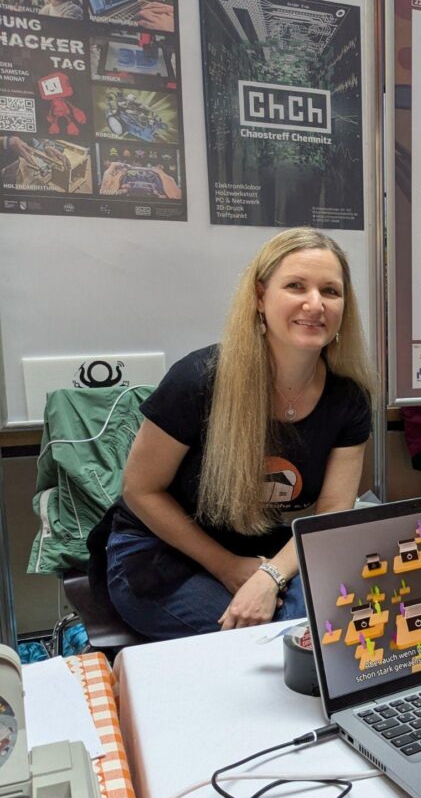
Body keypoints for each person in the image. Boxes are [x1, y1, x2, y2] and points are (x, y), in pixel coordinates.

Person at [100, 228, 374, 640]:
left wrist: (268, 576)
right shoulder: (198, 380)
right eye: (296, 285)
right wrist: (227, 567)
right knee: (274, 639)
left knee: (343, 621)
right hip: (162, 552)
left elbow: (330, 516)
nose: (314, 303)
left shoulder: (348, 399)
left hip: (266, 554)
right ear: (261, 297)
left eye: (330, 291)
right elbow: (141, 491)